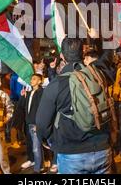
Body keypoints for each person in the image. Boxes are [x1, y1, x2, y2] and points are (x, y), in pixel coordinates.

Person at [36, 38, 113, 174]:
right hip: (102, 149)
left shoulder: (56, 84)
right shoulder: (97, 75)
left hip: (71, 153)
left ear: (62, 56)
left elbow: (42, 123)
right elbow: (106, 61)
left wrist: (51, 141)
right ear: (83, 53)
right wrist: (96, 40)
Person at [24, 74, 45, 173]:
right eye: (31, 78)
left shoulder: (41, 92)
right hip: (29, 123)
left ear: (40, 81)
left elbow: (41, 109)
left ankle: (38, 169)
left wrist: (38, 123)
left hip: (35, 124)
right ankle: (40, 165)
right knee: (35, 146)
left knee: (36, 148)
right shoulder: (29, 93)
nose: (31, 80)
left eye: (34, 79)